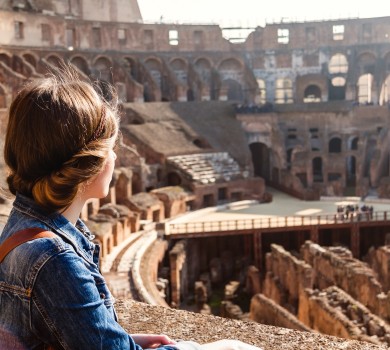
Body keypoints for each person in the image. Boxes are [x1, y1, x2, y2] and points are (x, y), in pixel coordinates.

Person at [0, 68, 261, 350]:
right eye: (111, 148)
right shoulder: (55, 259)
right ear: (91, 162)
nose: (115, 156)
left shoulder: (24, 226)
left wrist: (124, 341)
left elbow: (54, 328)